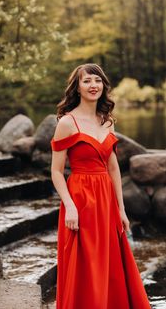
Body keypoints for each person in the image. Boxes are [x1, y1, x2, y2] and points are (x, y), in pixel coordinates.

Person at [50, 64, 151, 309]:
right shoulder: (67, 122)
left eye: (97, 80)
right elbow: (56, 171)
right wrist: (70, 206)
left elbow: (113, 168)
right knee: (85, 262)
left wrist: (121, 209)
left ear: (104, 86)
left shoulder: (107, 122)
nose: (93, 85)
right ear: (77, 87)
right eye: (87, 81)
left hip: (105, 198)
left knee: (110, 262)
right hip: (80, 198)